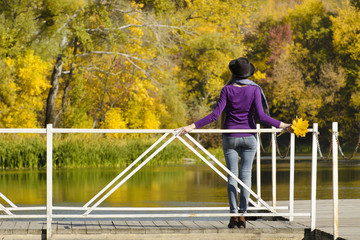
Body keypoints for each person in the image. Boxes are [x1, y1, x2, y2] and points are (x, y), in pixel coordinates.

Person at [176, 57, 291, 229]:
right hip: (249, 137)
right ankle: (243, 215)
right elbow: (262, 116)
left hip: (230, 137)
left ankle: (233, 215)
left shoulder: (227, 89)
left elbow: (215, 115)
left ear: (233, 73)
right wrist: (285, 126)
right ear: (248, 73)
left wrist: (191, 126)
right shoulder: (254, 90)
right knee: (245, 176)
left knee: (232, 176)